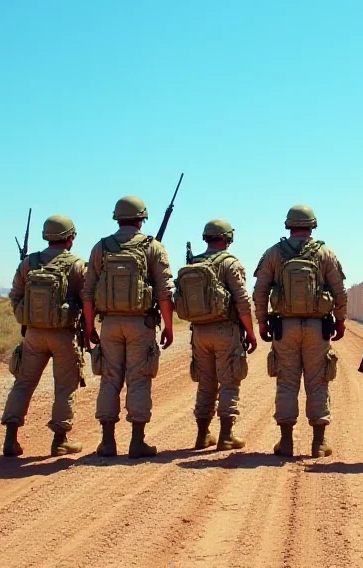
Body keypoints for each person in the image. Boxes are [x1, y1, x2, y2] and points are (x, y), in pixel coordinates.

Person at [81, 195, 174, 459]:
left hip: (109, 323)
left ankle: (107, 442)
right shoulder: (153, 247)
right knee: (139, 379)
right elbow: (165, 292)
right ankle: (137, 441)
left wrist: (90, 327)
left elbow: (88, 293)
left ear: (117, 218)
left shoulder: (102, 247)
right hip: (141, 324)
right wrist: (168, 326)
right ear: (142, 219)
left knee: (110, 379)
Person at [252, 205, 348, 458]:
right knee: (318, 382)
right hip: (318, 328)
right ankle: (318, 444)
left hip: (285, 327)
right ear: (313, 225)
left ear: (288, 225)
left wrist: (262, 321)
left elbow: (260, 291)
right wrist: (340, 321)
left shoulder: (274, 253)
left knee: (286, 383)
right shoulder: (325, 253)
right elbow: (340, 292)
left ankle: (286, 443)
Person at [2, 215, 86, 457]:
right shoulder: (77, 264)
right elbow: (87, 299)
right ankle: (60, 440)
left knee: (23, 383)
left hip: (33, 335)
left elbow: (15, 296)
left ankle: (11, 438)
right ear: (70, 237)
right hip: (63, 335)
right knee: (65, 387)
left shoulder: (29, 263)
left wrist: (28, 319)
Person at [174, 219, 258, 451]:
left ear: (206, 238)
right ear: (228, 238)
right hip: (225, 330)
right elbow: (242, 301)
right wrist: (250, 332)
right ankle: (226, 436)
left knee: (205, 384)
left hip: (199, 332)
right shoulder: (230, 264)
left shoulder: (194, 264)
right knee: (229, 381)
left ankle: (202, 435)